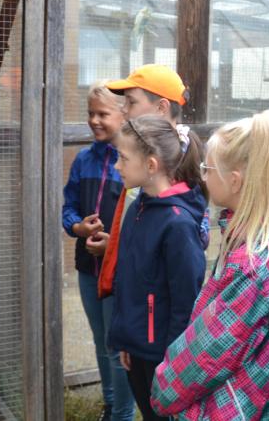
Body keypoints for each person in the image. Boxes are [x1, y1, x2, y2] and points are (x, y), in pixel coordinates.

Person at [150, 109, 269, 420]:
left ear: (234, 181)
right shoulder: (251, 247)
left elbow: (208, 354)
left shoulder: (251, 268)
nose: (203, 176)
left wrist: (162, 387)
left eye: (207, 168)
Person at [106, 115, 207, 421]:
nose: (117, 166)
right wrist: (127, 337)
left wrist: (172, 362)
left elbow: (185, 303)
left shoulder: (177, 224)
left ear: (151, 166)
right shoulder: (139, 207)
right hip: (138, 348)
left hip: (163, 359)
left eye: (123, 158)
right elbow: (131, 278)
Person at [98, 64, 209, 298]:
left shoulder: (183, 162)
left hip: (150, 301)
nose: (124, 110)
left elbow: (192, 241)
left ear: (161, 108)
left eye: (132, 102)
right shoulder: (137, 152)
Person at [61, 83, 135, 421]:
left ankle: (122, 412)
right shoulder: (84, 159)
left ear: (123, 115)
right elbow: (69, 207)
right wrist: (78, 227)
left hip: (120, 271)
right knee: (99, 339)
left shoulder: (131, 163)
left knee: (116, 344)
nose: (94, 120)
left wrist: (113, 245)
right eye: (90, 113)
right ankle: (110, 404)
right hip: (87, 267)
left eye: (102, 114)